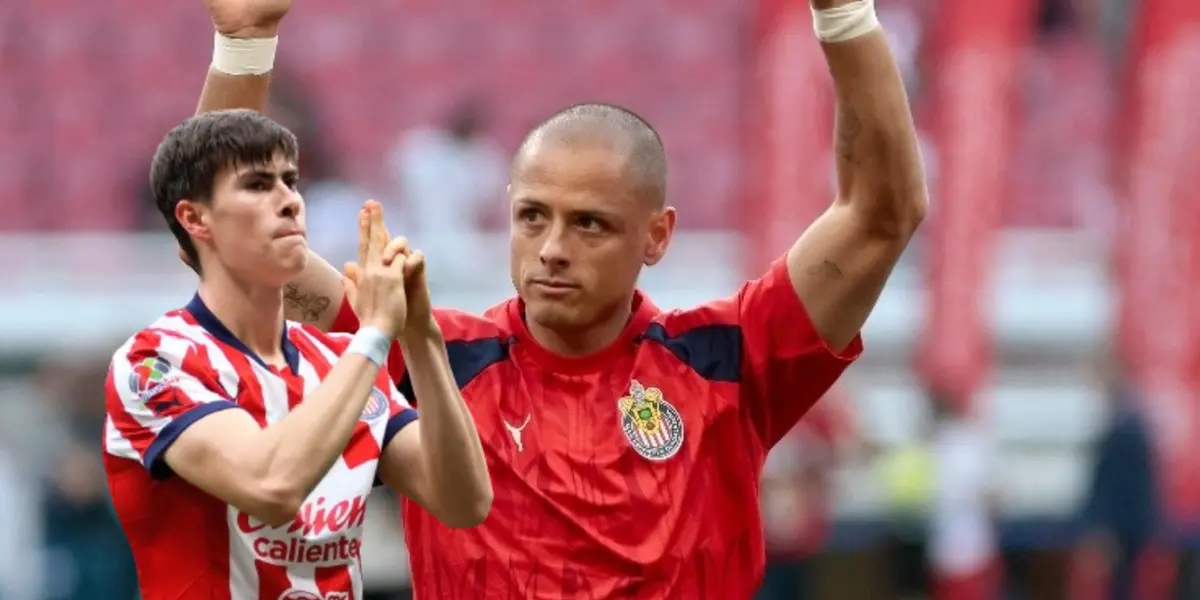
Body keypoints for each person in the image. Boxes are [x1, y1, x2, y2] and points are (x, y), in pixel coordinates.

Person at [189, 0, 927, 596]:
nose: (551, 248)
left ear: (656, 235)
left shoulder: (729, 357)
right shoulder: (429, 359)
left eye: (590, 225)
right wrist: (244, 45)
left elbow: (880, 213)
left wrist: (842, 11)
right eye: (532, 216)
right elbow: (231, 244)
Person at [102, 3, 492, 597]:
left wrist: (420, 337)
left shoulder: (338, 360)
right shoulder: (156, 361)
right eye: (260, 185)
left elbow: (464, 501)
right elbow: (272, 483)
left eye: (291, 182)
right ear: (195, 220)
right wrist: (375, 335)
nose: (289, 199)